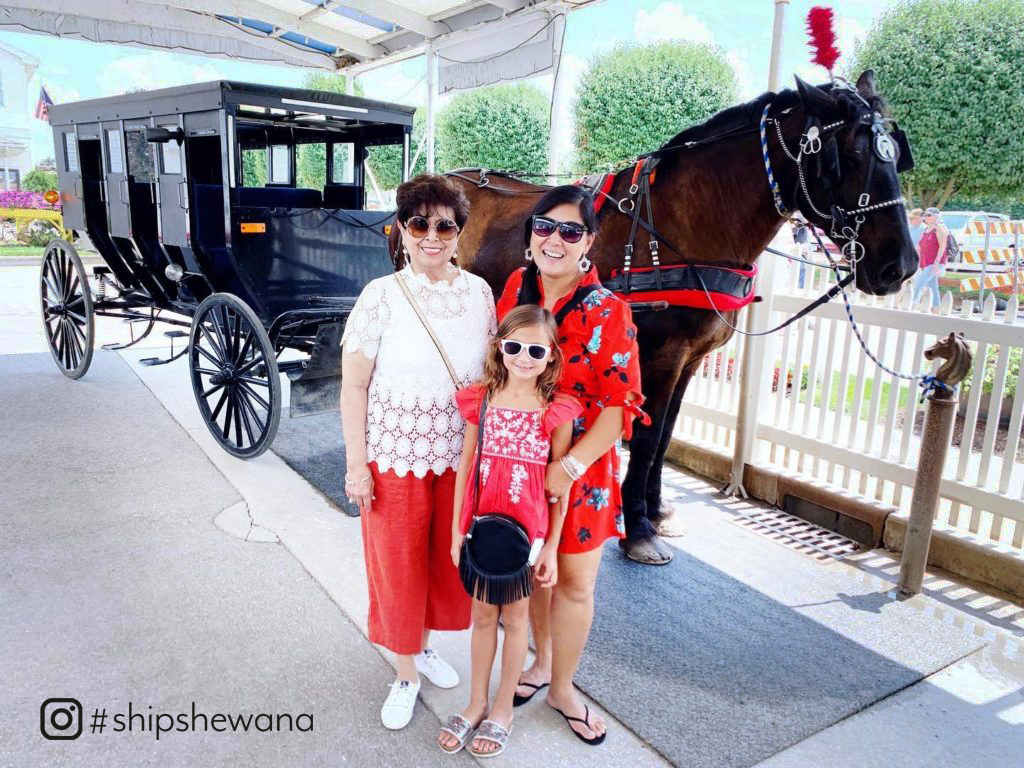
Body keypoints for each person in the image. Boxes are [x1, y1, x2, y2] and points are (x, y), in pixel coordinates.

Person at [340, 173, 497, 730]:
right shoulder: (380, 296)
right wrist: (357, 466)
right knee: (398, 567)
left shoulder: (480, 294)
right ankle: (405, 671)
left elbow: (493, 378)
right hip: (393, 456)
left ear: (459, 231)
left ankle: (424, 646)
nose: (432, 235)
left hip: (456, 457)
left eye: (445, 225)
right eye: (419, 224)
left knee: (439, 565)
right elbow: (353, 385)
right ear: (401, 230)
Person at [495, 186, 649, 745]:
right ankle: (537, 665)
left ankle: (563, 687)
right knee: (536, 571)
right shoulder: (516, 289)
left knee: (576, 582)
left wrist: (570, 467)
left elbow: (618, 410)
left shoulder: (610, 311)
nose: (553, 239)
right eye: (544, 226)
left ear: (587, 241)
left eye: (569, 230)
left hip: (580, 468)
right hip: (518, 459)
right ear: (530, 232)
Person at [437, 305, 581, 757]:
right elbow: (466, 467)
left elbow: (560, 488)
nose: (523, 357)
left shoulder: (554, 412)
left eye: (535, 349)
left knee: (516, 619)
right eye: (514, 346)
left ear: (551, 356)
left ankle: (504, 707)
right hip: (483, 529)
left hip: (527, 536)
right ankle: (477, 702)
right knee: (482, 617)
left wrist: (552, 547)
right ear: (499, 348)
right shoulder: (481, 399)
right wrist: (458, 531)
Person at [912, 207, 948, 311]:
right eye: (924, 215)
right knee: (933, 286)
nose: (926, 217)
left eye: (929, 215)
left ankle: (910, 306)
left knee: (918, 285)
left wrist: (936, 264)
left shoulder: (939, 228)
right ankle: (936, 309)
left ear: (936, 216)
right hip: (926, 262)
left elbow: (943, 246)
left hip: (935, 262)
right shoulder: (926, 229)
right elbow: (919, 246)